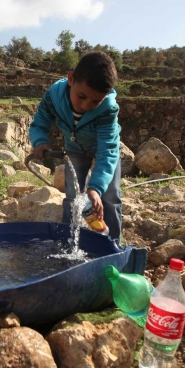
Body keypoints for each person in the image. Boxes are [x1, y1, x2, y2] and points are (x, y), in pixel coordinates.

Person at [29, 51, 122, 241]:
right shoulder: (54, 96)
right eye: (82, 96)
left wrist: (95, 188)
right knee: (73, 198)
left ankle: (112, 244)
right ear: (70, 79)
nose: (87, 105)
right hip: (75, 150)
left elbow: (107, 151)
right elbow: (40, 122)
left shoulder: (108, 109)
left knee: (110, 197)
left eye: (96, 101)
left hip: (103, 152)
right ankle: (68, 240)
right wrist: (40, 141)